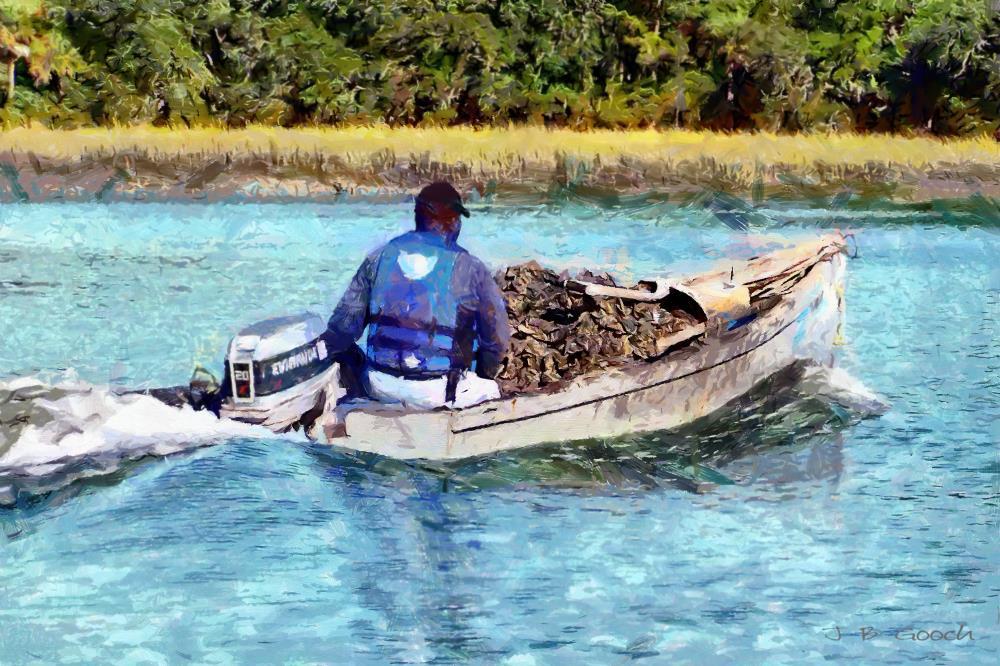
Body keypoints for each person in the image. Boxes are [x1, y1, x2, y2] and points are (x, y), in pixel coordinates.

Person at [323, 181, 511, 410]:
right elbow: (497, 340)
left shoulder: (380, 257)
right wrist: (483, 372)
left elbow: (341, 329)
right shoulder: (470, 267)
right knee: (490, 389)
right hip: (438, 392)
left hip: (379, 385)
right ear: (452, 221)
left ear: (418, 216)